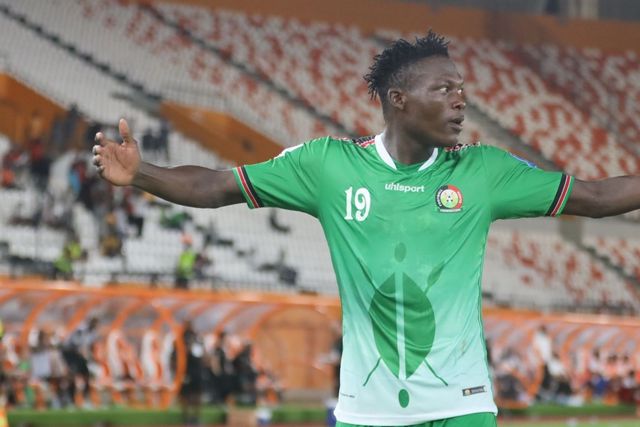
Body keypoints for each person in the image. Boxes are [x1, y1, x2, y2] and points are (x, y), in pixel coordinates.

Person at [92, 30, 640, 427]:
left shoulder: (484, 171)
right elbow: (218, 186)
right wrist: (143, 174)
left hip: (464, 406)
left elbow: (592, 199)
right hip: (367, 412)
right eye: (443, 89)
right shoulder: (327, 166)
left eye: (461, 88)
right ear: (398, 100)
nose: (461, 100)